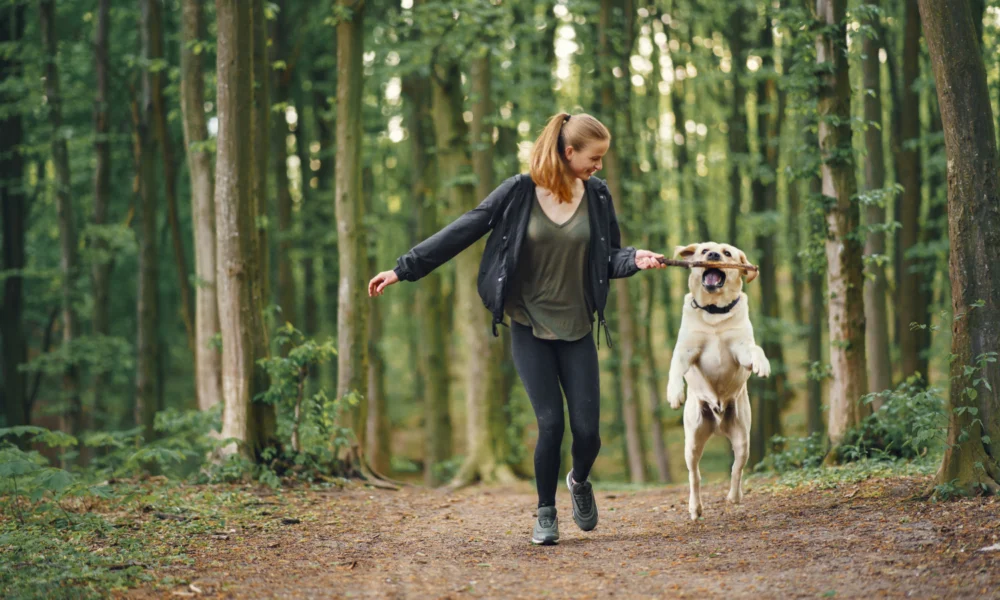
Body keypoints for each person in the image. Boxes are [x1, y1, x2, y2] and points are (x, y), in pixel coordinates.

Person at [368, 112, 665, 545]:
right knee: (550, 424)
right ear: (569, 152)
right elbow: (464, 229)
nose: (599, 167)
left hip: (577, 325)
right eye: (594, 158)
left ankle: (579, 481)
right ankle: (545, 513)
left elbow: (609, 257)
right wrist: (403, 269)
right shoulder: (519, 191)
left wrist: (635, 259)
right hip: (529, 323)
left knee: (587, 433)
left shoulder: (597, 195)